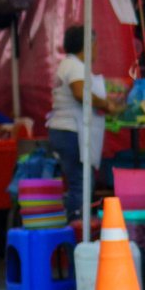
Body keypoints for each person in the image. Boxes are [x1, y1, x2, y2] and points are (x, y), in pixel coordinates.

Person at [48, 26, 119, 221]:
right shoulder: (74, 66)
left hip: (66, 131)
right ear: (87, 45)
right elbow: (80, 93)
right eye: (95, 44)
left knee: (79, 183)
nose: (97, 49)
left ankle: (77, 228)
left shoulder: (71, 65)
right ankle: (77, 233)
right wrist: (106, 104)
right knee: (81, 184)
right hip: (70, 131)